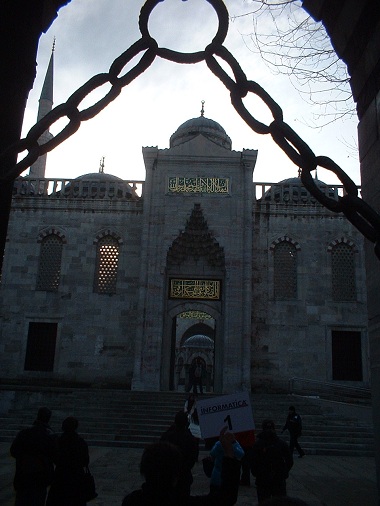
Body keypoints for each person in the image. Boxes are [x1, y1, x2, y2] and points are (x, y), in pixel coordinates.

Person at [122, 428, 241, 506]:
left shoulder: (131, 502)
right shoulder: (182, 502)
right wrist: (229, 452)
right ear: (176, 476)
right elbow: (226, 497)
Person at [10, 406, 56, 506]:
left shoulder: (25, 433)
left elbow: (14, 451)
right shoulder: (49, 435)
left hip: (24, 474)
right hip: (40, 476)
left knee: (22, 500)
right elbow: (55, 455)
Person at [46, 416, 90, 506]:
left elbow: (54, 457)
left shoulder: (58, 441)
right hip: (76, 478)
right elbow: (86, 460)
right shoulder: (80, 442)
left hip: (61, 477)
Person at [250, 419, 293, 504]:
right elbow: (289, 461)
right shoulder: (281, 443)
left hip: (263, 479)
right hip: (277, 479)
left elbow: (252, 461)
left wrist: (256, 472)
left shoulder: (257, 444)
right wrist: (284, 472)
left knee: (264, 502)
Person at [160, 410, 199, 501]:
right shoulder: (190, 438)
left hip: (168, 475)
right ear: (186, 423)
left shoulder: (166, 436)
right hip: (184, 475)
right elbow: (193, 457)